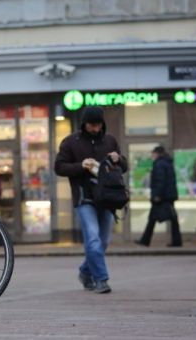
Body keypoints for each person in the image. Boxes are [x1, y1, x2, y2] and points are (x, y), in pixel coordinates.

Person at [54, 106, 127, 294]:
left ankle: (85, 272)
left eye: (98, 125)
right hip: (84, 198)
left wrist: (118, 159)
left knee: (103, 241)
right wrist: (81, 166)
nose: (95, 128)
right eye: (91, 125)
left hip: (107, 199)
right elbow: (59, 167)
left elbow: (124, 167)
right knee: (93, 238)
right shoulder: (71, 142)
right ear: (84, 124)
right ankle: (101, 279)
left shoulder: (110, 141)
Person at [136, 146, 182, 247]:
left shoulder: (160, 164)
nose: (152, 156)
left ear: (158, 153)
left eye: (153, 154)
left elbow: (160, 181)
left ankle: (146, 240)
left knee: (168, 219)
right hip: (168, 196)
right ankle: (145, 240)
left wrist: (157, 195)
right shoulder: (167, 163)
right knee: (158, 218)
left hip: (162, 197)